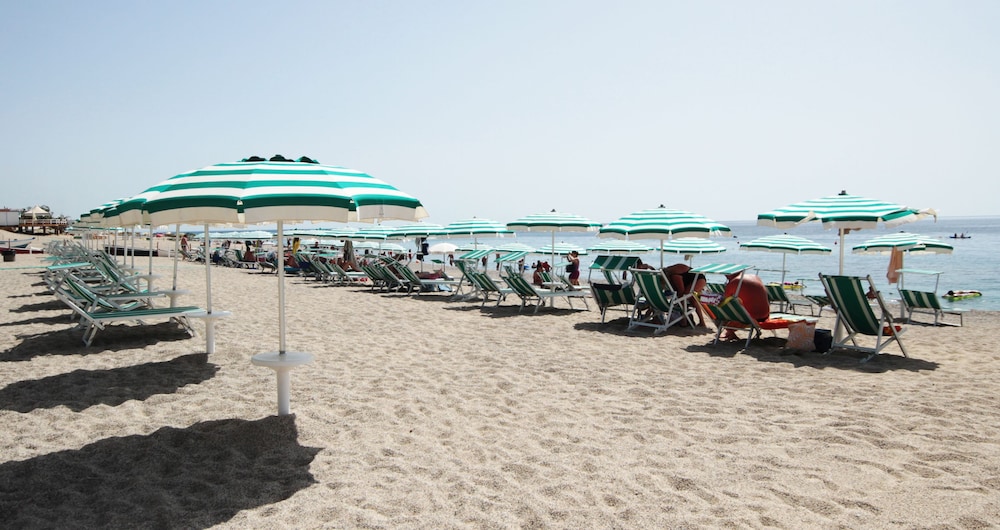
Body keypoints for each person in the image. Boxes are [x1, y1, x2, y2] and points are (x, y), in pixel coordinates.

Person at [722, 272, 769, 339]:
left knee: (720, 311)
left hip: (749, 319)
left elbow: (725, 301)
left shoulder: (734, 282)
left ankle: (730, 332)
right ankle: (729, 332)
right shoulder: (755, 277)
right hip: (765, 316)